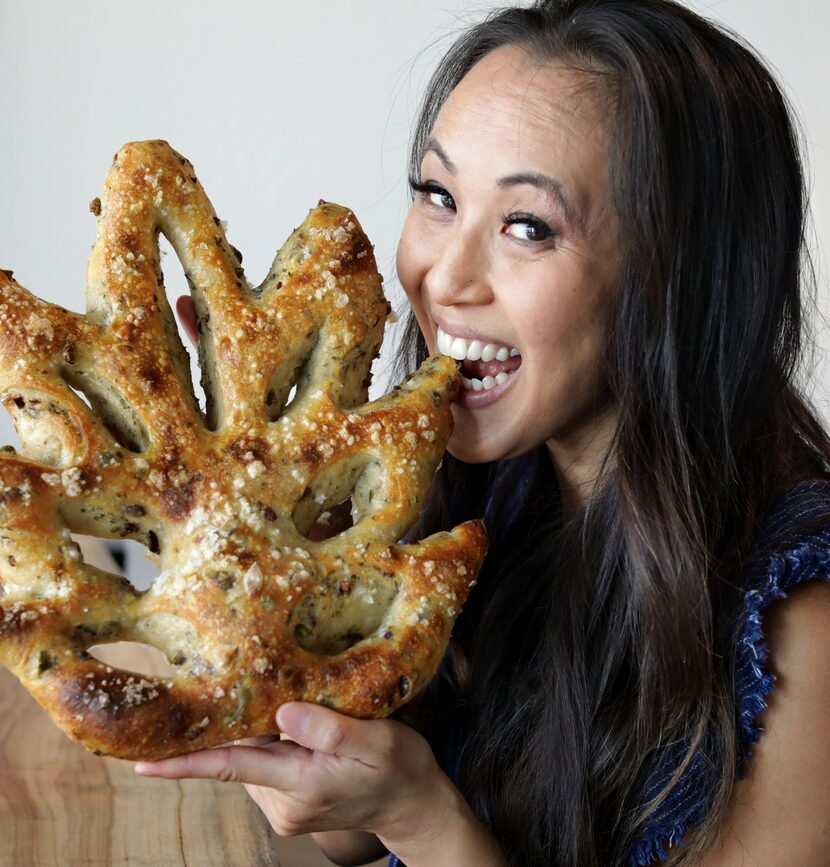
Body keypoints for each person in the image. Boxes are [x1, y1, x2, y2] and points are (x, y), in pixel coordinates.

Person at [140, 1, 830, 864]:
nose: (444, 275)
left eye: (527, 227)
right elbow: (347, 831)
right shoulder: (483, 488)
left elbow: (398, 819)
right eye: (438, 196)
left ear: (678, 284)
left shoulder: (804, 627)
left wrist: (424, 820)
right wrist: (276, 582)